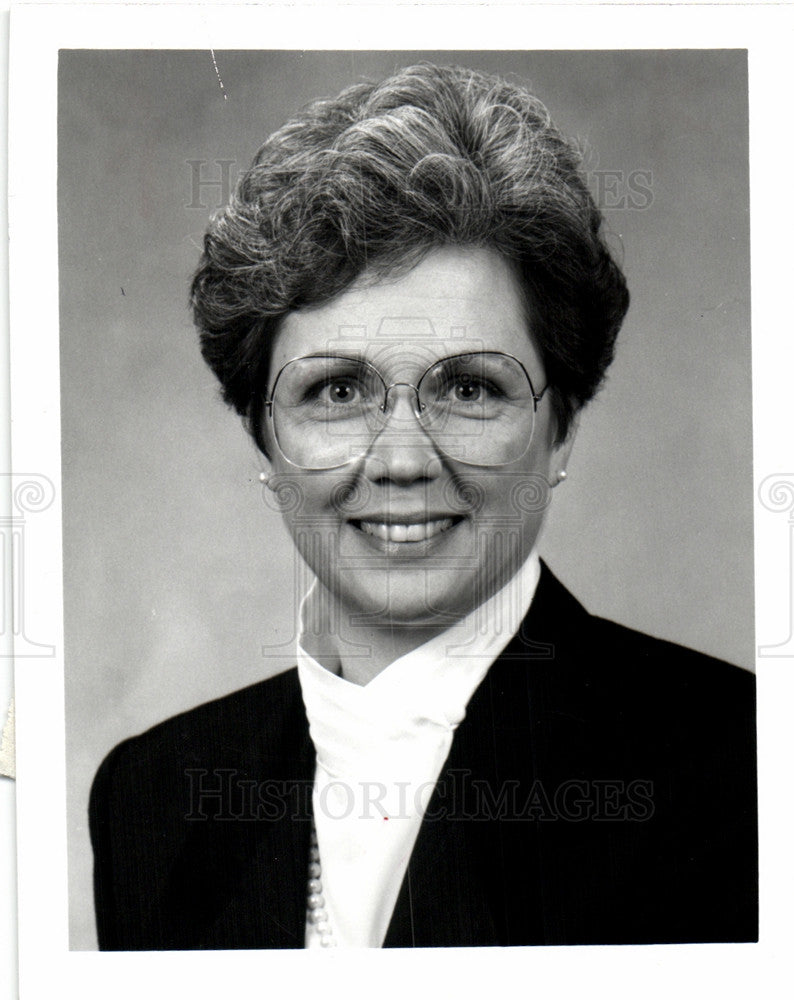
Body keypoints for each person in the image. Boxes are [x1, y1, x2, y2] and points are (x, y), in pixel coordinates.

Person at [89, 63, 757, 950]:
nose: (402, 459)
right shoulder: (153, 796)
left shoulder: (748, 770)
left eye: (470, 387)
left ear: (561, 431)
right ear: (264, 439)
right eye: (335, 392)